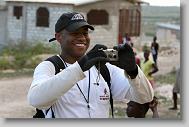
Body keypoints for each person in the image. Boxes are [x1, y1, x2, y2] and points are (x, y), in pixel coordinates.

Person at [27, 12, 154, 118]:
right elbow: (36, 100)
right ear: (59, 37)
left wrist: (133, 71)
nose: (82, 38)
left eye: (85, 33)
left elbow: (145, 97)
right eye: (75, 33)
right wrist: (80, 67)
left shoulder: (104, 69)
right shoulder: (50, 66)